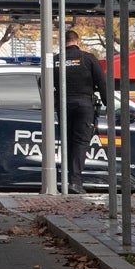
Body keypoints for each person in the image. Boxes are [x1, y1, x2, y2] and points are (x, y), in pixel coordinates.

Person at [55, 30, 107, 194]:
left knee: (67, 140)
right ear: (77, 41)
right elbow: (102, 83)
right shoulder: (88, 58)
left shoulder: (56, 60)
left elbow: (44, 82)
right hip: (84, 105)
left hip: (63, 104)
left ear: (63, 43)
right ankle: (75, 182)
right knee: (80, 143)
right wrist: (108, 107)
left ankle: (64, 180)